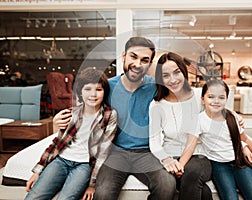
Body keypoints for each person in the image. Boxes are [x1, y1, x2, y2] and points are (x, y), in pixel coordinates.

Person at [53, 37, 176, 200]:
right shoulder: (106, 87)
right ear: (124, 56)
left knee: (167, 185)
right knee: (102, 194)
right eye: (134, 56)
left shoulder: (156, 88)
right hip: (114, 152)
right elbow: (85, 112)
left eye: (145, 60)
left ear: (150, 64)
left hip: (146, 153)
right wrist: (57, 124)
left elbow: (177, 106)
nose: (138, 64)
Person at [25, 67, 118, 200]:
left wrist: (92, 184)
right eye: (88, 89)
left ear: (105, 92)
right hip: (61, 160)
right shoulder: (71, 113)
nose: (93, 94)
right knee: (34, 196)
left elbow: (103, 152)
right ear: (80, 92)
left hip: (84, 165)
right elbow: (57, 142)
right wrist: (38, 170)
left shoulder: (110, 115)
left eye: (98, 89)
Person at [198, 79, 252, 200]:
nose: (216, 101)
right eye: (211, 97)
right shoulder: (199, 120)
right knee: (230, 197)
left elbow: (246, 140)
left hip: (239, 162)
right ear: (203, 99)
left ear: (226, 99)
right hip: (219, 166)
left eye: (221, 97)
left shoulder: (232, 118)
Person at [149, 52, 212, 199]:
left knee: (193, 174)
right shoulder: (157, 105)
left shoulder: (199, 97)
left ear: (184, 71)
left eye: (177, 72)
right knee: (203, 193)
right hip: (168, 155)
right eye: (166, 75)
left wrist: (235, 116)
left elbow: (220, 113)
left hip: (198, 155)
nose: (173, 80)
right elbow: (154, 141)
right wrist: (166, 160)